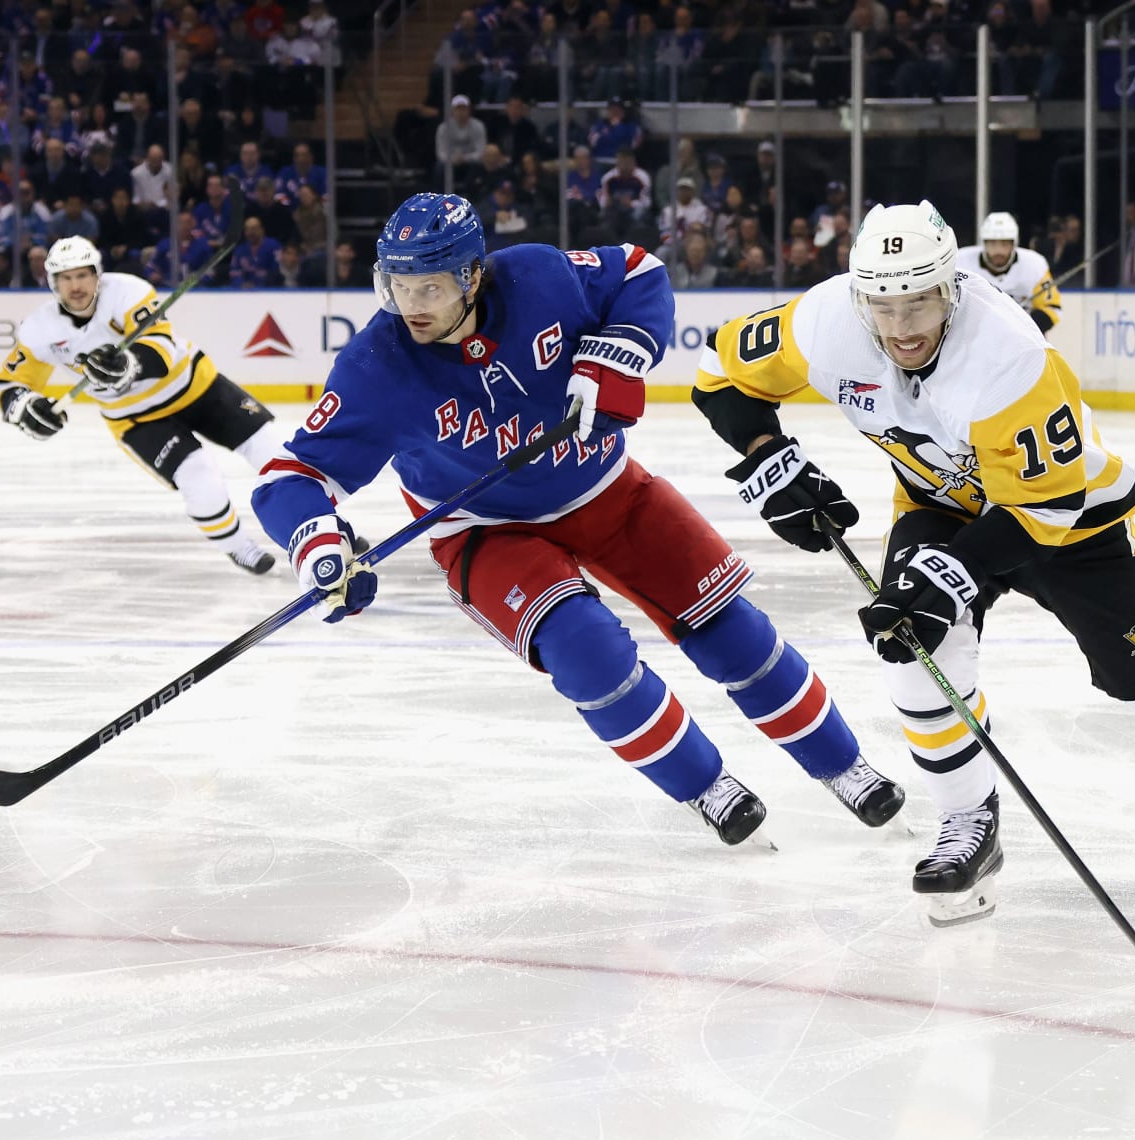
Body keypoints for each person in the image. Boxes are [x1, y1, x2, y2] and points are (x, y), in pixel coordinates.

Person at [691, 199, 1135, 924]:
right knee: (914, 655)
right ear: (859, 297)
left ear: (952, 287)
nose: (903, 327)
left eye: (920, 302)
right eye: (884, 305)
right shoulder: (822, 323)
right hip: (939, 505)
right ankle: (969, 819)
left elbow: (1044, 506)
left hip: (1065, 519)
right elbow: (719, 374)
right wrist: (770, 460)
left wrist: (946, 576)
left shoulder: (1007, 354)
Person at [249, 193, 905, 846]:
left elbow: (640, 271)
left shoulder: (538, 275)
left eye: (431, 285)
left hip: (607, 487)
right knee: (585, 649)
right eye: (397, 284)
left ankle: (845, 767)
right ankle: (707, 787)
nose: (412, 305)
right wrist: (319, 547)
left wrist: (617, 350)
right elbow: (292, 479)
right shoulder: (376, 366)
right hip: (485, 531)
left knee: (730, 629)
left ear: (472, 275)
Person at [0, 237, 286, 575]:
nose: (75, 286)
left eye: (83, 275)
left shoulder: (128, 291)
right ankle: (239, 548)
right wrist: (26, 407)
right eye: (65, 278)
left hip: (196, 386)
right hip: (136, 419)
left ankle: (318, 532)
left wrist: (129, 364)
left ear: (98, 275)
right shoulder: (40, 329)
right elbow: (8, 384)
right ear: (52, 283)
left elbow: (160, 345)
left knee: (275, 450)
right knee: (199, 476)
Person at [954, 210, 1061, 334]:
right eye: (993, 243)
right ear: (984, 243)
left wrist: (1022, 329)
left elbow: (1052, 307)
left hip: (1024, 342)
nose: (998, 250)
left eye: (1005, 244)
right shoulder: (961, 262)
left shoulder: (1035, 265)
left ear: (1014, 244)